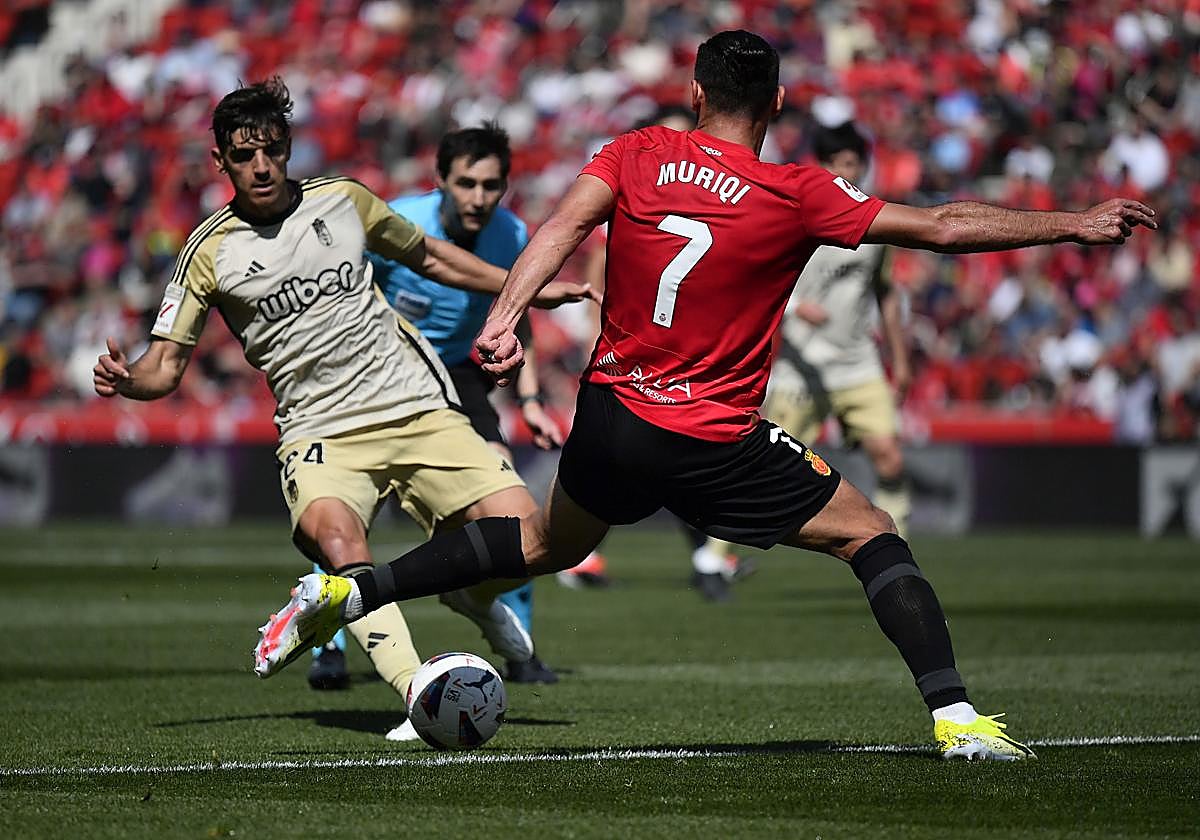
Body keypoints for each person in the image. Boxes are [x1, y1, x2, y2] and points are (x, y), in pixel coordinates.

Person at [255, 31, 1156, 761]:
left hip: (609, 413)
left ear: (694, 95)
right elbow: (946, 226)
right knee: (872, 533)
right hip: (708, 435)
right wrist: (1072, 223)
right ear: (777, 107)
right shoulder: (799, 192)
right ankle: (957, 718)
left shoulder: (638, 151)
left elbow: (563, 226)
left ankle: (354, 592)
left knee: (540, 542)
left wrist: (505, 318)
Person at [93, 78, 593, 740]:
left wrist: (529, 290)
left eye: (272, 149)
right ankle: (419, 692)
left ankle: (469, 595)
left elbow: (434, 258)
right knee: (339, 548)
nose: (262, 166)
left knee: (534, 539)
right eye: (245, 156)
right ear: (220, 161)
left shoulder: (345, 201)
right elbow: (163, 366)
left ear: (289, 146)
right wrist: (128, 380)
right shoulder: (209, 251)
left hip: (416, 405)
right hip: (320, 430)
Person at [367, 122, 563, 684]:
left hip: (460, 378)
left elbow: (517, 315)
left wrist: (527, 401)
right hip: (384, 375)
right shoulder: (396, 222)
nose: (478, 198)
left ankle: (518, 650)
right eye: (466, 184)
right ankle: (328, 644)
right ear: (441, 182)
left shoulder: (511, 233)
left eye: (491, 185)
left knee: (515, 516)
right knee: (354, 510)